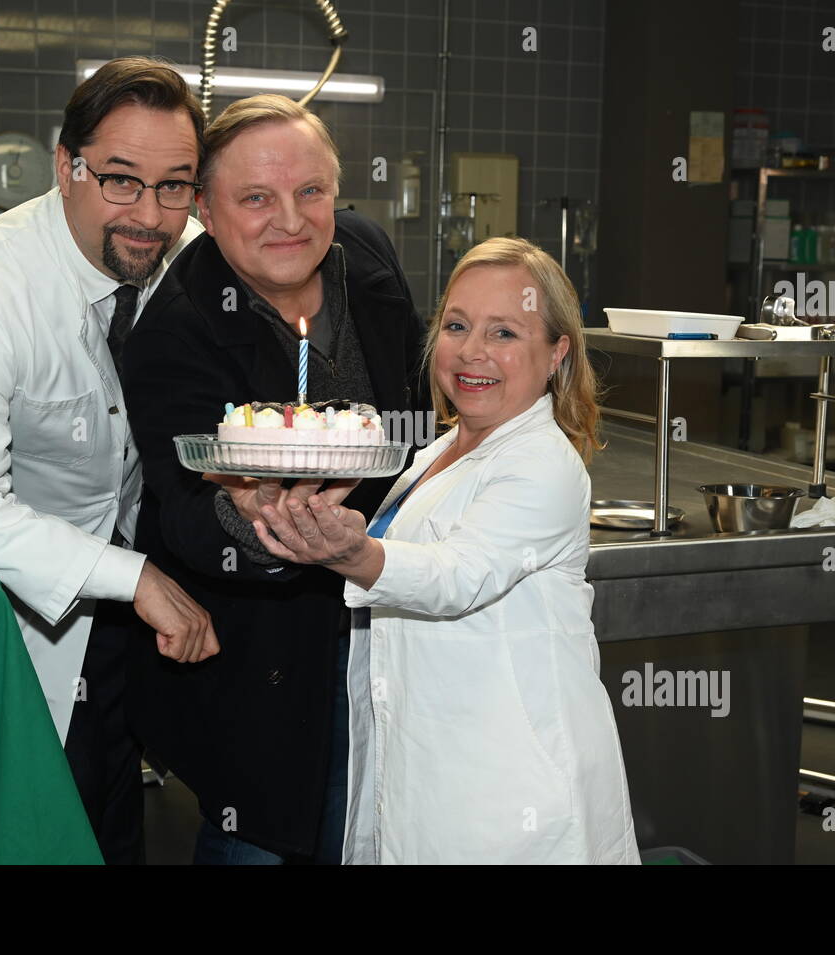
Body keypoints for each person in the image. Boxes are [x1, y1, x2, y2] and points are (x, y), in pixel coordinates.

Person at [0, 58, 216, 865]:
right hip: (31, 625)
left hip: (139, 628)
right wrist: (133, 576)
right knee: (46, 831)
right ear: (63, 165)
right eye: (120, 179)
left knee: (122, 829)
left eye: (175, 186)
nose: (150, 215)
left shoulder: (180, 261)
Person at [251, 237, 641, 864]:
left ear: (557, 352)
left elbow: (456, 576)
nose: (472, 351)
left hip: (508, 791)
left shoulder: (542, 463)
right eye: (456, 326)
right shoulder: (439, 452)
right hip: (429, 765)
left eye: (505, 333)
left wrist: (355, 557)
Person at [121, 94, 427, 864]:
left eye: (310, 191)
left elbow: (418, 412)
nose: (290, 219)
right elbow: (183, 510)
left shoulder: (367, 255)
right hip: (264, 652)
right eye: (255, 197)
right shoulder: (175, 328)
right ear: (205, 209)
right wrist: (253, 518)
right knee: (266, 835)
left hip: (384, 623)